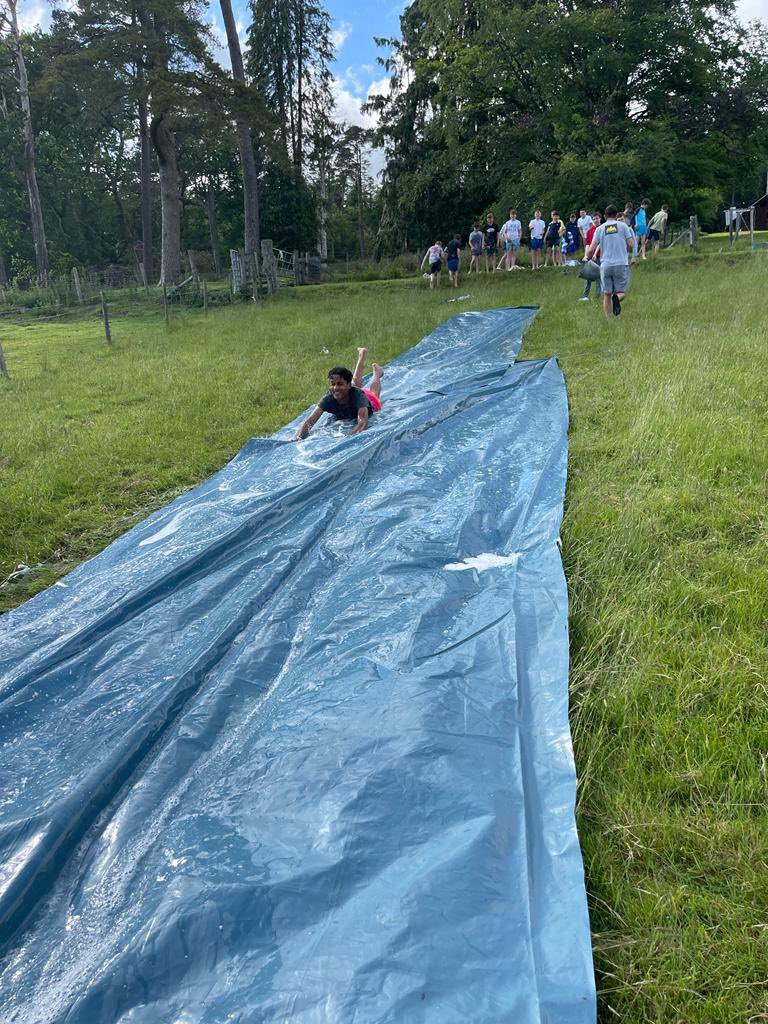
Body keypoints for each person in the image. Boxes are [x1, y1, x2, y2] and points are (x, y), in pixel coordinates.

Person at [293, 348, 384, 440]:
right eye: (333, 384)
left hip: (368, 399)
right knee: (355, 383)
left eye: (339, 384)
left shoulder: (359, 396)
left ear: (349, 385)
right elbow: (310, 421)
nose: (335, 388)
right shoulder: (329, 397)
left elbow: (362, 423)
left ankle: (377, 372)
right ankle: (362, 356)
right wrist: (298, 437)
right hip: (350, 392)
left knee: (374, 394)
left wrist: (347, 439)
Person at [585, 203, 634, 320]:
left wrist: (588, 256)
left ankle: (609, 320)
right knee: (621, 292)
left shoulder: (599, 229)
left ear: (604, 216)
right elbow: (631, 245)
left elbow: (591, 249)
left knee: (606, 293)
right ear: (616, 214)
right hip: (621, 264)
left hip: (605, 265)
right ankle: (617, 297)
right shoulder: (623, 226)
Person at [579, 210, 602, 301]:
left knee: (598, 277)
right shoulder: (589, 231)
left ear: (600, 218)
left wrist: (595, 254)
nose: (596, 220)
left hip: (600, 256)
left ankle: (597, 296)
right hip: (590, 256)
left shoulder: (602, 229)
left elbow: (599, 243)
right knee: (587, 276)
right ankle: (585, 296)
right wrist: (586, 255)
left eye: (597, 218)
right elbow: (588, 244)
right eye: (594, 219)